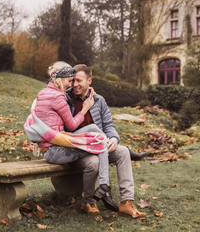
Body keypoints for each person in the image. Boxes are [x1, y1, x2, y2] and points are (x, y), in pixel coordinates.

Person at [26, 61, 118, 211]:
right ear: (61, 79)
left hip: (53, 146)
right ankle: (104, 187)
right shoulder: (57, 97)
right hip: (55, 151)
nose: (71, 85)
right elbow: (71, 126)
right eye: (69, 81)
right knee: (99, 143)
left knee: (95, 131)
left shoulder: (44, 93)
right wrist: (85, 108)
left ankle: (102, 188)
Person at [66, 64, 146, 218]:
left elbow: (109, 125)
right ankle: (89, 202)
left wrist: (114, 139)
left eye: (79, 80)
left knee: (122, 151)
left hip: (99, 147)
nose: (75, 84)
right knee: (94, 161)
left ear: (89, 80)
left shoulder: (99, 100)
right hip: (77, 150)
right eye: (73, 80)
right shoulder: (66, 99)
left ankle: (126, 202)